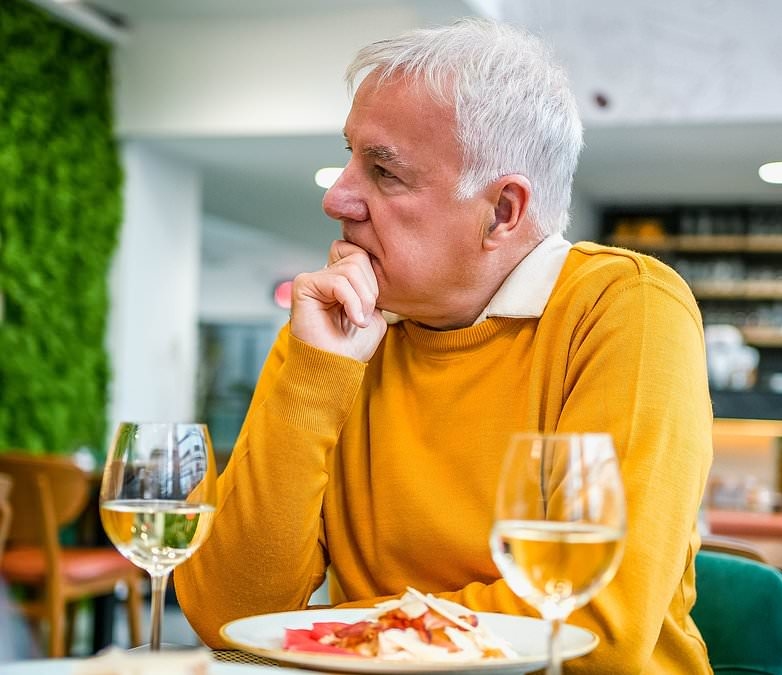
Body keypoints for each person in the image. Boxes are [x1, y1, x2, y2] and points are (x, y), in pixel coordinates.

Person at [174, 17, 713, 674]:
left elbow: (595, 624)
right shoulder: (335, 330)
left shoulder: (624, 305)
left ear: (503, 212)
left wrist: (313, 636)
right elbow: (228, 614)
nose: (336, 195)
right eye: (349, 156)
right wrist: (315, 373)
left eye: (383, 171)